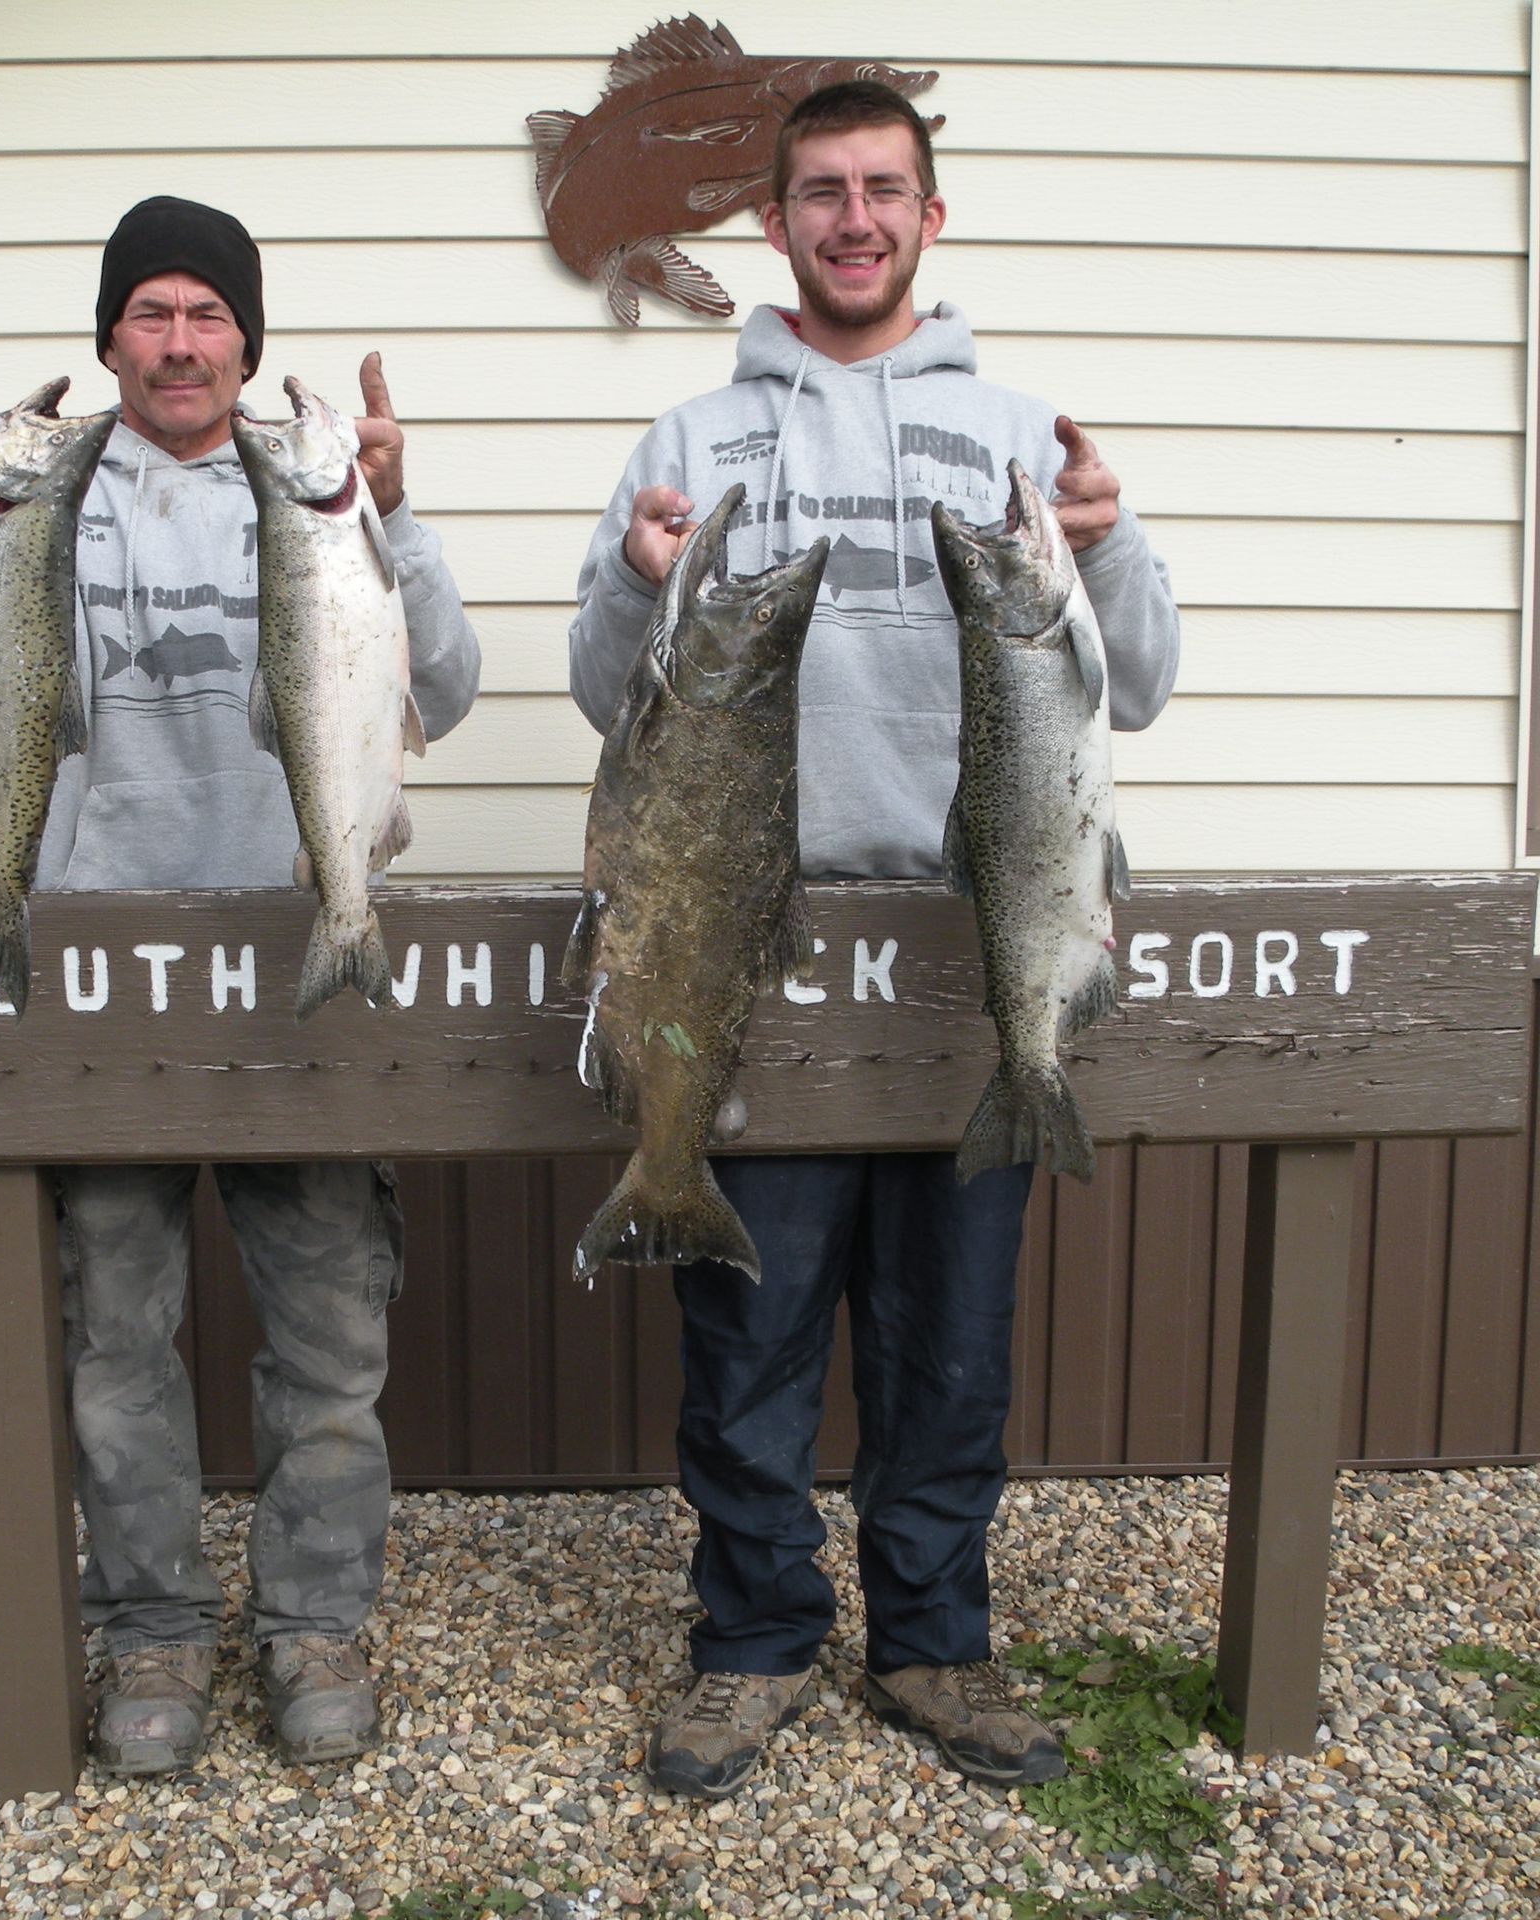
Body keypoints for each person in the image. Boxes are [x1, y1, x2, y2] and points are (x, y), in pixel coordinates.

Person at [568, 83, 1179, 1801]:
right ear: (774, 222)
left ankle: (933, 1642)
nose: (854, 218)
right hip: (754, 948)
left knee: (951, 1338)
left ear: (931, 214)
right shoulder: (690, 439)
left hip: (969, 939)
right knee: (745, 1341)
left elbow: (1132, 681)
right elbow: (607, 693)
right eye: (822, 192)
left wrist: (1110, 545)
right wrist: (631, 575)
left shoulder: (1026, 429)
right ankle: (752, 1644)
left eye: (884, 190)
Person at [0, 196, 480, 1775]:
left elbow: (439, 685)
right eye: (152, 311)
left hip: (292, 962)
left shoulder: (323, 494)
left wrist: (398, 513)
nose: (180, 340)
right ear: (111, 335)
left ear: (249, 340)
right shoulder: (37, 493)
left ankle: (312, 1622)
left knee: (327, 1339)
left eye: (209, 314)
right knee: (118, 1346)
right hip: (100, 979)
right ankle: (149, 1629)